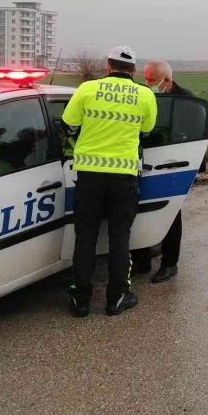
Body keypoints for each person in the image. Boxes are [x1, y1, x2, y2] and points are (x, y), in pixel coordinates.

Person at [62, 46, 158, 317]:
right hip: (123, 177)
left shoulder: (87, 89)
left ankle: (80, 300)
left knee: (85, 238)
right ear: (134, 70)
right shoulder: (145, 94)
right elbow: (147, 131)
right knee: (119, 238)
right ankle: (117, 298)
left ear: (108, 65)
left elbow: (69, 123)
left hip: (89, 177)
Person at [130, 60, 196, 283]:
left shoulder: (186, 101)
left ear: (166, 81)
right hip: (142, 163)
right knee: (140, 210)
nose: (146, 84)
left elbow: (190, 136)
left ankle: (169, 263)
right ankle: (142, 258)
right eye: (145, 79)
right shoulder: (142, 97)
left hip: (173, 165)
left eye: (151, 80)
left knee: (170, 213)